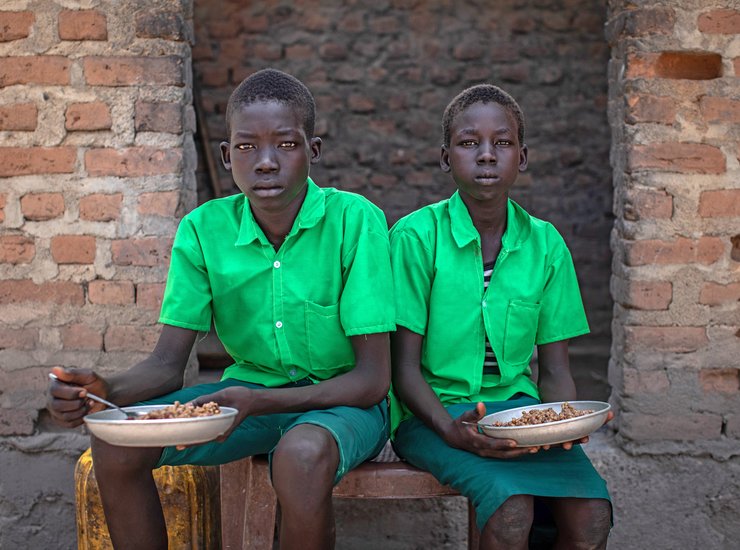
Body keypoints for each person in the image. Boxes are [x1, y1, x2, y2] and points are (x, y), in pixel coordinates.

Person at [47, 68, 395, 550]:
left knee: (300, 453)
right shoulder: (203, 230)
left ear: (313, 151)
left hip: (344, 405)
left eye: (287, 145)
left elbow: (372, 379)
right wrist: (110, 390)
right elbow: (168, 365)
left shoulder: (355, 221)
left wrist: (260, 401)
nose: (267, 162)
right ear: (227, 155)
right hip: (246, 399)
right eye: (248, 147)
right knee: (115, 442)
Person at [389, 84, 612, 550]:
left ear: (522, 157)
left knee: (591, 517)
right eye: (469, 143)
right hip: (434, 417)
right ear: (446, 157)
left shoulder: (546, 245)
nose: (486, 155)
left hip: (520, 414)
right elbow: (403, 370)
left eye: (503, 143)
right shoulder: (415, 238)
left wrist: (562, 425)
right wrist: (452, 430)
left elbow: (554, 370)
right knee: (512, 512)